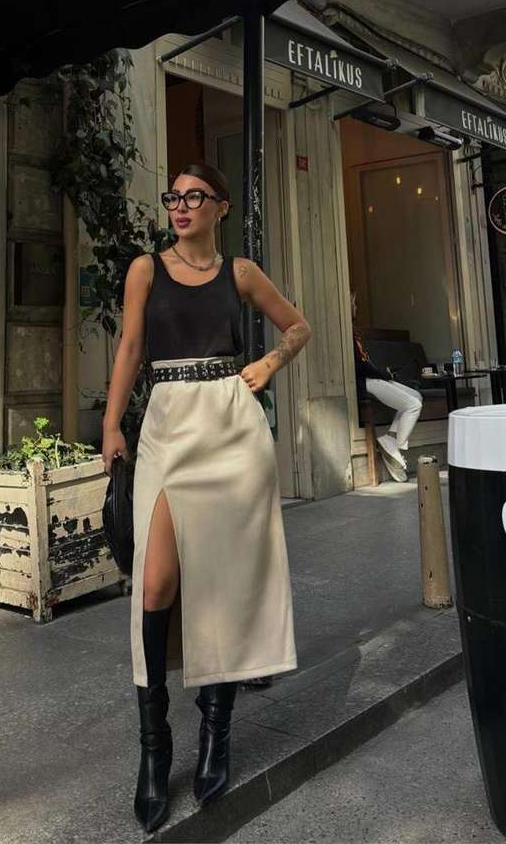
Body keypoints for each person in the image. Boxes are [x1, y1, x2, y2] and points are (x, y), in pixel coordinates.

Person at [101, 162, 311, 832]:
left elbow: (298, 327)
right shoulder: (146, 269)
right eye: (174, 196)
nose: (181, 205)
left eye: (195, 196)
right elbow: (131, 347)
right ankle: (154, 745)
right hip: (167, 425)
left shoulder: (241, 273)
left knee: (221, 585)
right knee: (155, 583)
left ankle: (216, 732)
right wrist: (111, 425)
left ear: (221, 206)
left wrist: (268, 364)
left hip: (231, 429)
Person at [351, 294, 423, 483]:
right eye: (354, 303)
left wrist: (383, 374)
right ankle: (395, 447)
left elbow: (366, 363)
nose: (356, 307)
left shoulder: (354, 332)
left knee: (416, 396)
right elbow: (360, 367)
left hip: (373, 378)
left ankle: (390, 437)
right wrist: (383, 374)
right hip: (364, 382)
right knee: (413, 405)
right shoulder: (346, 333)